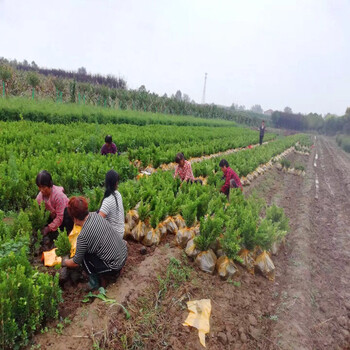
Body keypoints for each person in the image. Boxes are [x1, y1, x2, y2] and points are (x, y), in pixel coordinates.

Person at [63, 196, 127, 290]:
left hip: (114, 266)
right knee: (91, 249)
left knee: (83, 256)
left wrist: (64, 262)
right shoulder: (96, 215)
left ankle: (94, 283)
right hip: (123, 254)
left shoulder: (83, 236)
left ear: (74, 218)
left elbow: (75, 263)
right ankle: (116, 270)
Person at [36, 170, 73, 241]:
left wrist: (48, 228)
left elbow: (60, 217)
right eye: (39, 187)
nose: (42, 190)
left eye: (43, 187)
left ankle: (66, 234)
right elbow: (37, 212)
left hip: (66, 218)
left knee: (66, 213)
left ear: (49, 184)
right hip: (54, 218)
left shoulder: (58, 196)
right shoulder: (40, 197)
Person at [98, 170, 125, 238]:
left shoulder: (108, 200)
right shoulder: (118, 194)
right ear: (116, 183)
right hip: (120, 233)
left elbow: (98, 221)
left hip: (113, 237)